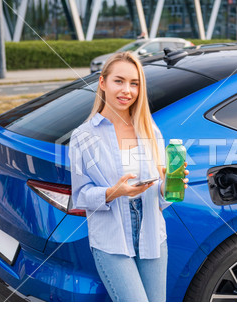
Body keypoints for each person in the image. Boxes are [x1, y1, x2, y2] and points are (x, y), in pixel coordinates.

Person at [69, 52, 189, 302]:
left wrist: (168, 187)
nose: (127, 90)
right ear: (102, 83)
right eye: (119, 81)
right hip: (112, 241)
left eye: (134, 83)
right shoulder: (83, 136)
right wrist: (115, 192)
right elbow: (80, 196)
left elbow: (159, 199)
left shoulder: (148, 129)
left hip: (152, 235)